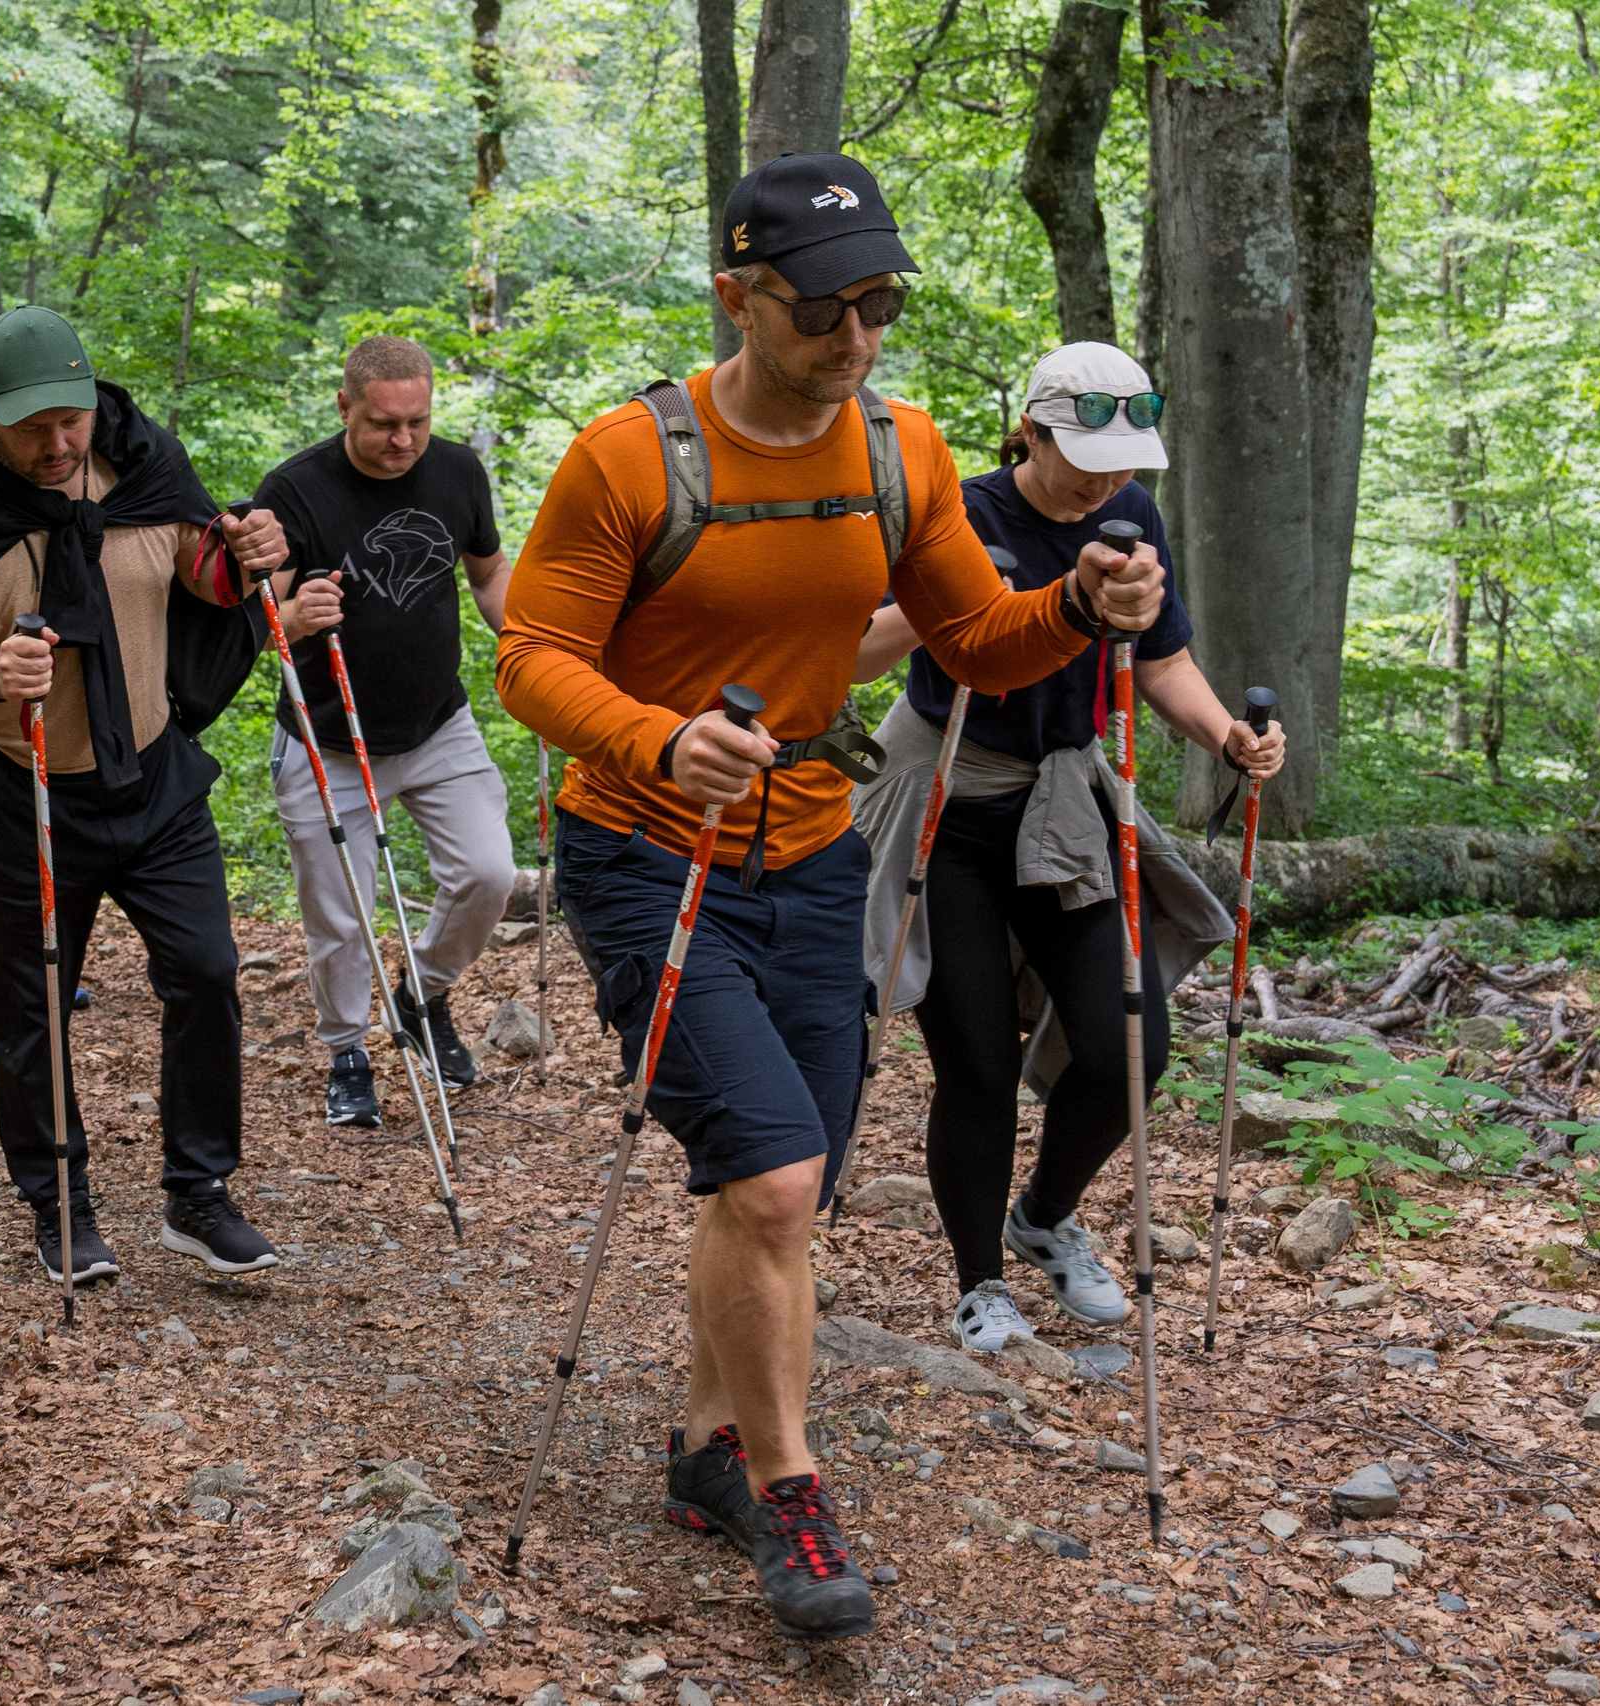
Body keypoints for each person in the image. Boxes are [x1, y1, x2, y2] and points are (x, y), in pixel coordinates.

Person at [496, 156, 1165, 1642]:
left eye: (881, 306)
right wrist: (658, 735)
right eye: (826, 311)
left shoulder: (900, 447)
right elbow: (532, 657)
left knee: (769, 1183)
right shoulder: (629, 460)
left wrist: (1077, 606)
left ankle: (705, 1450)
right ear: (738, 298)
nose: (859, 338)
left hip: (813, 848)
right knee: (780, 1178)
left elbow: (975, 644)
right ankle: (794, 1487)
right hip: (647, 851)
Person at [0, 305, 323, 1284]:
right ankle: (59, 1201)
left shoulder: (137, 457)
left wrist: (243, 550)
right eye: (34, 425)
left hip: (152, 773)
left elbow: (198, 573)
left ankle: (198, 1192)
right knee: (31, 1002)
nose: (59, 442)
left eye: (70, 418)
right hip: (18, 790)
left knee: (205, 968)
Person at [847, 339, 1285, 1355]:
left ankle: (1040, 1215)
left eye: (1126, 455)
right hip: (947, 799)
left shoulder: (1133, 522)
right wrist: (945, 605)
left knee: (1131, 1042)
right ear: (1030, 431)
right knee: (976, 1061)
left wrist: (1225, 733)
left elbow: (1161, 655)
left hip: (1064, 804)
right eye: (1087, 452)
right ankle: (978, 1282)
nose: (1107, 476)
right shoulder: (959, 509)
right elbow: (863, 640)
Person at [253, 336, 517, 1128]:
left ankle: (421, 996)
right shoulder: (294, 489)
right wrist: (298, 615)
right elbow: (254, 619)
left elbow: (488, 571)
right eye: (383, 424)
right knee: (343, 914)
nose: (403, 440)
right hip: (328, 738)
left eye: (418, 421)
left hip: (439, 725)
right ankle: (347, 1051)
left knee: (489, 875)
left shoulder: (459, 471)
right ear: (345, 408)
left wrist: (529, 640)